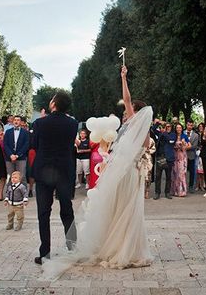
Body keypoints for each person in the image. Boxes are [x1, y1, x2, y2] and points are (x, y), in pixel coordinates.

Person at [43, 65, 153, 277]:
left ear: (136, 114)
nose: (125, 115)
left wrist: (123, 78)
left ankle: (120, 249)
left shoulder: (134, 127)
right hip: (134, 176)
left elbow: (127, 100)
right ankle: (130, 249)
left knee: (120, 210)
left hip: (126, 175)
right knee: (129, 213)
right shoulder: (144, 135)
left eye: (127, 113)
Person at [31, 91, 78, 265]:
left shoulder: (39, 123)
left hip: (44, 170)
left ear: (53, 104)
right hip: (64, 171)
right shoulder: (73, 124)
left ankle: (45, 253)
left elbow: (34, 144)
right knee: (67, 209)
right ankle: (73, 247)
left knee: (43, 212)